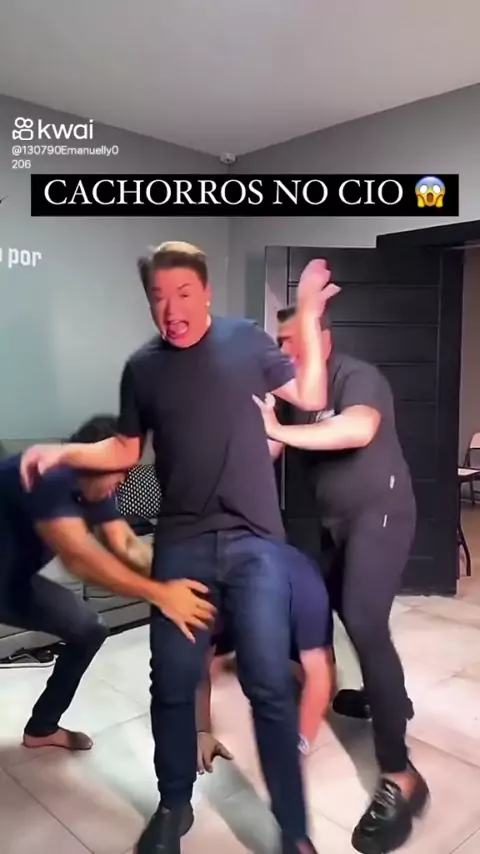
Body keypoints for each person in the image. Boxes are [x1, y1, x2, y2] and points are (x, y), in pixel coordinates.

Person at [20, 243, 339, 854]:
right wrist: (62, 452)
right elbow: (124, 448)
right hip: (183, 544)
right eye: (158, 297)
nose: (171, 309)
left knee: (269, 683)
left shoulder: (246, 341)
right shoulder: (142, 368)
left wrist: (306, 314)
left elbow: (310, 393)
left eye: (184, 293)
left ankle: (293, 830)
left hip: (255, 542)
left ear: (206, 293)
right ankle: (173, 806)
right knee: (170, 679)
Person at [253, 306, 430, 854]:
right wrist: (260, 425)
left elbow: (359, 427)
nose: (285, 352)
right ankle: (387, 697)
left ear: (323, 340)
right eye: (279, 343)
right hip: (336, 523)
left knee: (363, 618)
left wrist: (278, 427)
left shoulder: (354, 374)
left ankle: (401, 774)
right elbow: (273, 448)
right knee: (329, 605)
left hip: (382, 513)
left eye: (295, 339)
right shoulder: (293, 394)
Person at [0, 415, 214, 753]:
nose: (126, 478)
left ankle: (42, 728)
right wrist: (161, 594)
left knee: (89, 630)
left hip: (12, 583)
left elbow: (125, 544)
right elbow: (80, 559)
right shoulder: (48, 476)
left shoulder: (96, 489)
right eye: (120, 469)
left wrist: (177, 573)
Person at [195, 543, 334, 772]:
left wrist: (299, 745)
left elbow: (319, 677)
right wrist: (201, 730)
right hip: (241, 596)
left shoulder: (305, 595)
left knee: (321, 685)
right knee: (210, 666)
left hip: (291, 593)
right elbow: (198, 672)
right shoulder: (209, 592)